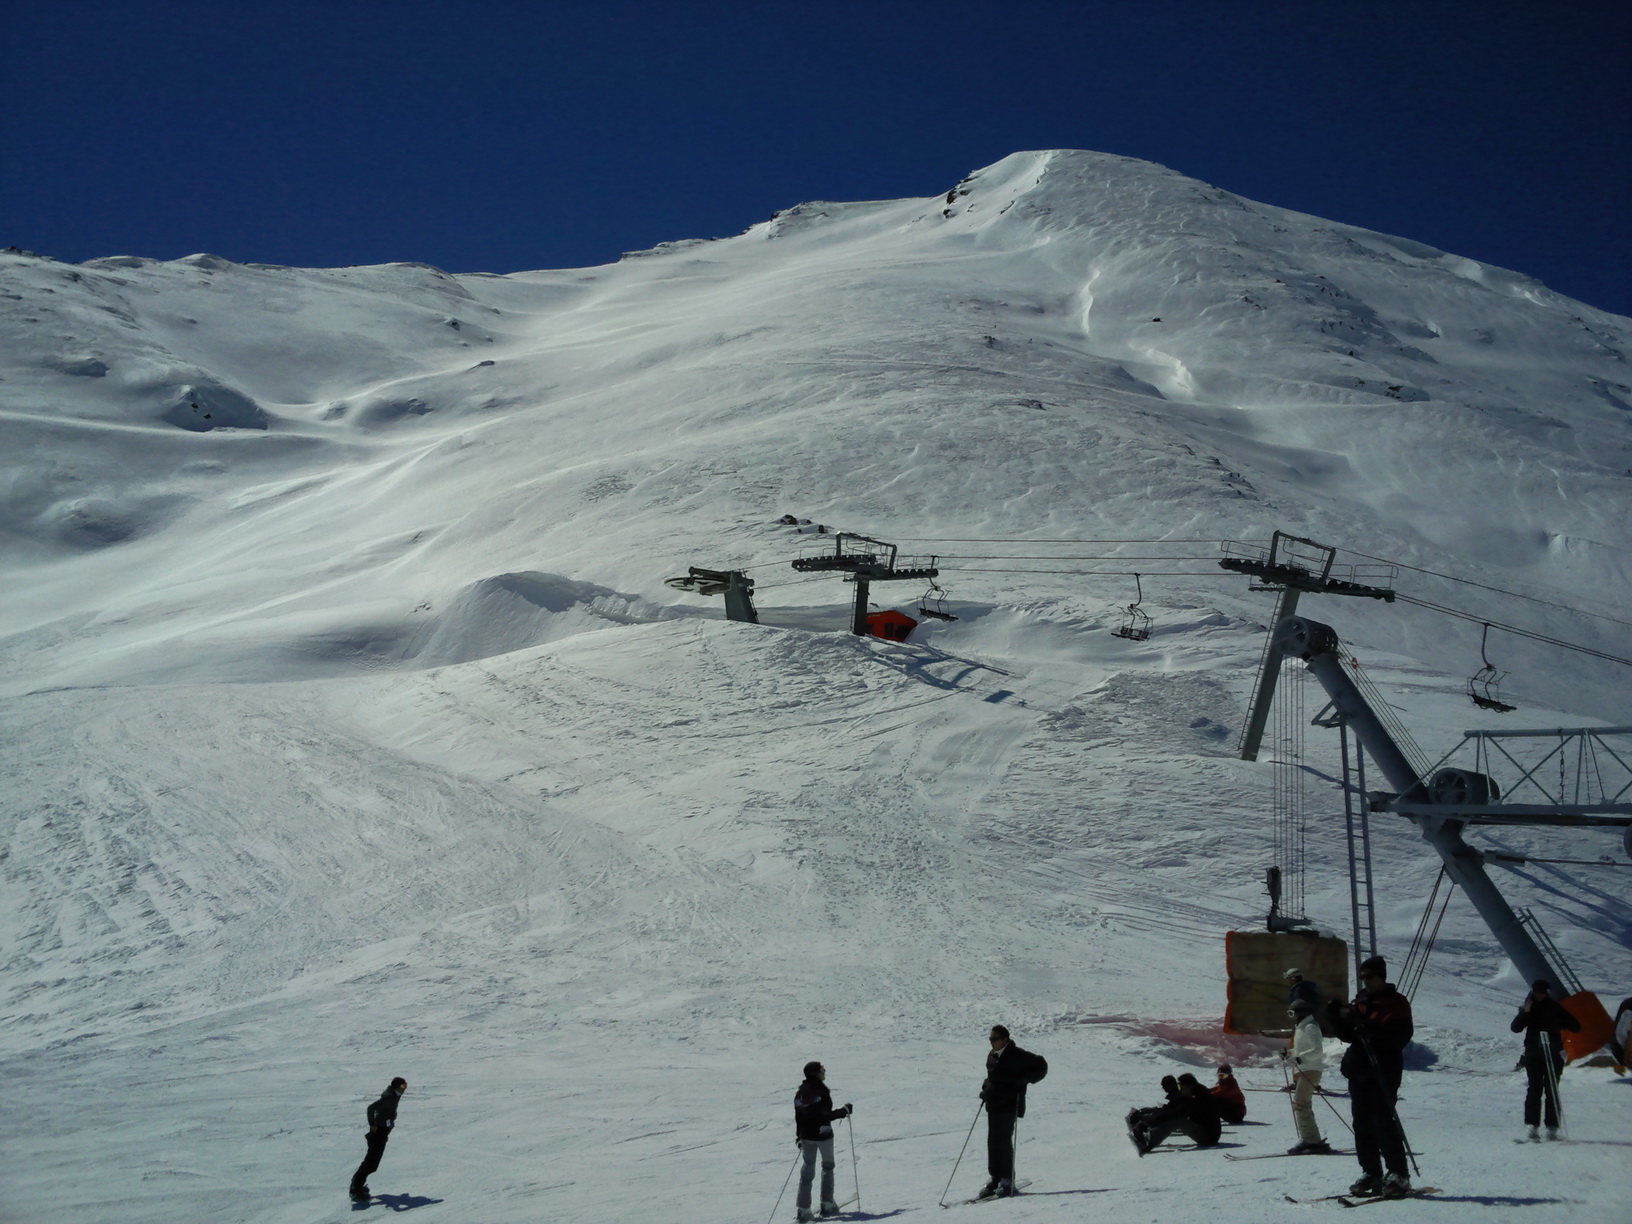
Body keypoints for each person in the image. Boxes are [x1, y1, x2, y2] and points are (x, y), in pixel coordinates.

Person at [1326, 956, 1413, 1199]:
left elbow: (1400, 1036)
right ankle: (1371, 1172)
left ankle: (1398, 1173)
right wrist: (1336, 1018)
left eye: (1370, 977)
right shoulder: (1361, 1001)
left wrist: (1367, 1027)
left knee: (1383, 1122)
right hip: (1360, 1069)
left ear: (1381, 976)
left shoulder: (1396, 1003)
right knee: (1362, 1124)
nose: (1366, 981)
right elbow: (1350, 1035)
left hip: (1383, 1069)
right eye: (1362, 977)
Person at [978, 1025, 1048, 1198]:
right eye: (990, 1039)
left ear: (1005, 1039)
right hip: (994, 1104)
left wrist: (1025, 1080)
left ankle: (1007, 1179)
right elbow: (993, 1078)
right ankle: (995, 1177)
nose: (991, 1042)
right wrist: (986, 1089)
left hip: (1009, 1104)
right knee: (993, 1141)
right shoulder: (992, 1055)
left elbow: (1041, 1065)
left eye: (995, 1039)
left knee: (1003, 1141)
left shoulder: (1017, 1055)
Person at [1510, 979, 1580, 1140]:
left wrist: (1559, 1023)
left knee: (1552, 1090)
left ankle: (1552, 1127)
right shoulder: (1528, 1007)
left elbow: (1575, 1026)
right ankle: (1532, 1125)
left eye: (1542, 992)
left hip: (1553, 1054)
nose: (1539, 995)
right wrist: (1525, 1013)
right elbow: (1515, 1028)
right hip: (1533, 1054)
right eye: (1537, 992)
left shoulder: (1554, 1007)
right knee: (1534, 1089)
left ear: (1547, 992)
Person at [793, 1061, 852, 1221]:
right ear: (814, 1074)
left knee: (807, 1169)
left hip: (807, 1136)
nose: (824, 1073)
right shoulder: (821, 1091)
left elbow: (799, 1116)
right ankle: (827, 1203)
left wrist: (799, 1136)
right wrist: (843, 1111)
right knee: (828, 1166)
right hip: (823, 1135)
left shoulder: (801, 1093)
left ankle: (803, 1209)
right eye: (822, 1070)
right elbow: (825, 1115)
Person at [1126, 1072, 1222, 1155]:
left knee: (1178, 1121)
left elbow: (1176, 1113)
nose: (1179, 1089)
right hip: (1205, 1131)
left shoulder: (1198, 1098)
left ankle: (1148, 1143)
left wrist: (1150, 1120)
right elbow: (1173, 1109)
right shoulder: (1195, 1094)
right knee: (1175, 1118)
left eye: (1180, 1086)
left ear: (1188, 1086)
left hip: (1208, 1137)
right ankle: (1148, 1134)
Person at [1283, 998, 1332, 1153]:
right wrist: (1289, 1054)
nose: (1292, 1017)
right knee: (1301, 1102)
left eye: (1292, 1013)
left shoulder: (1310, 1027)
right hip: (1305, 1069)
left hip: (1310, 1069)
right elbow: (1302, 1050)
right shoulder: (1302, 1027)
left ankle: (1311, 1140)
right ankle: (1310, 1139)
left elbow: (1317, 1050)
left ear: (1301, 1013)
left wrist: (1299, 1058)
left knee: (1301, 1103)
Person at [349, 1076, 407, 1202]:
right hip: (379, 1133)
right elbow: (371, 1108)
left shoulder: (394, 1094)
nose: (405, 1089)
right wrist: (372, 1124)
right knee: (371, 1163)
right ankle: (355, 1188)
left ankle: (357, 1186)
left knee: (372, 1163)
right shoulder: (389, 1097)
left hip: (383, 1131)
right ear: (396, 1087)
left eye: (406, 1086)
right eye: (403, 1086)